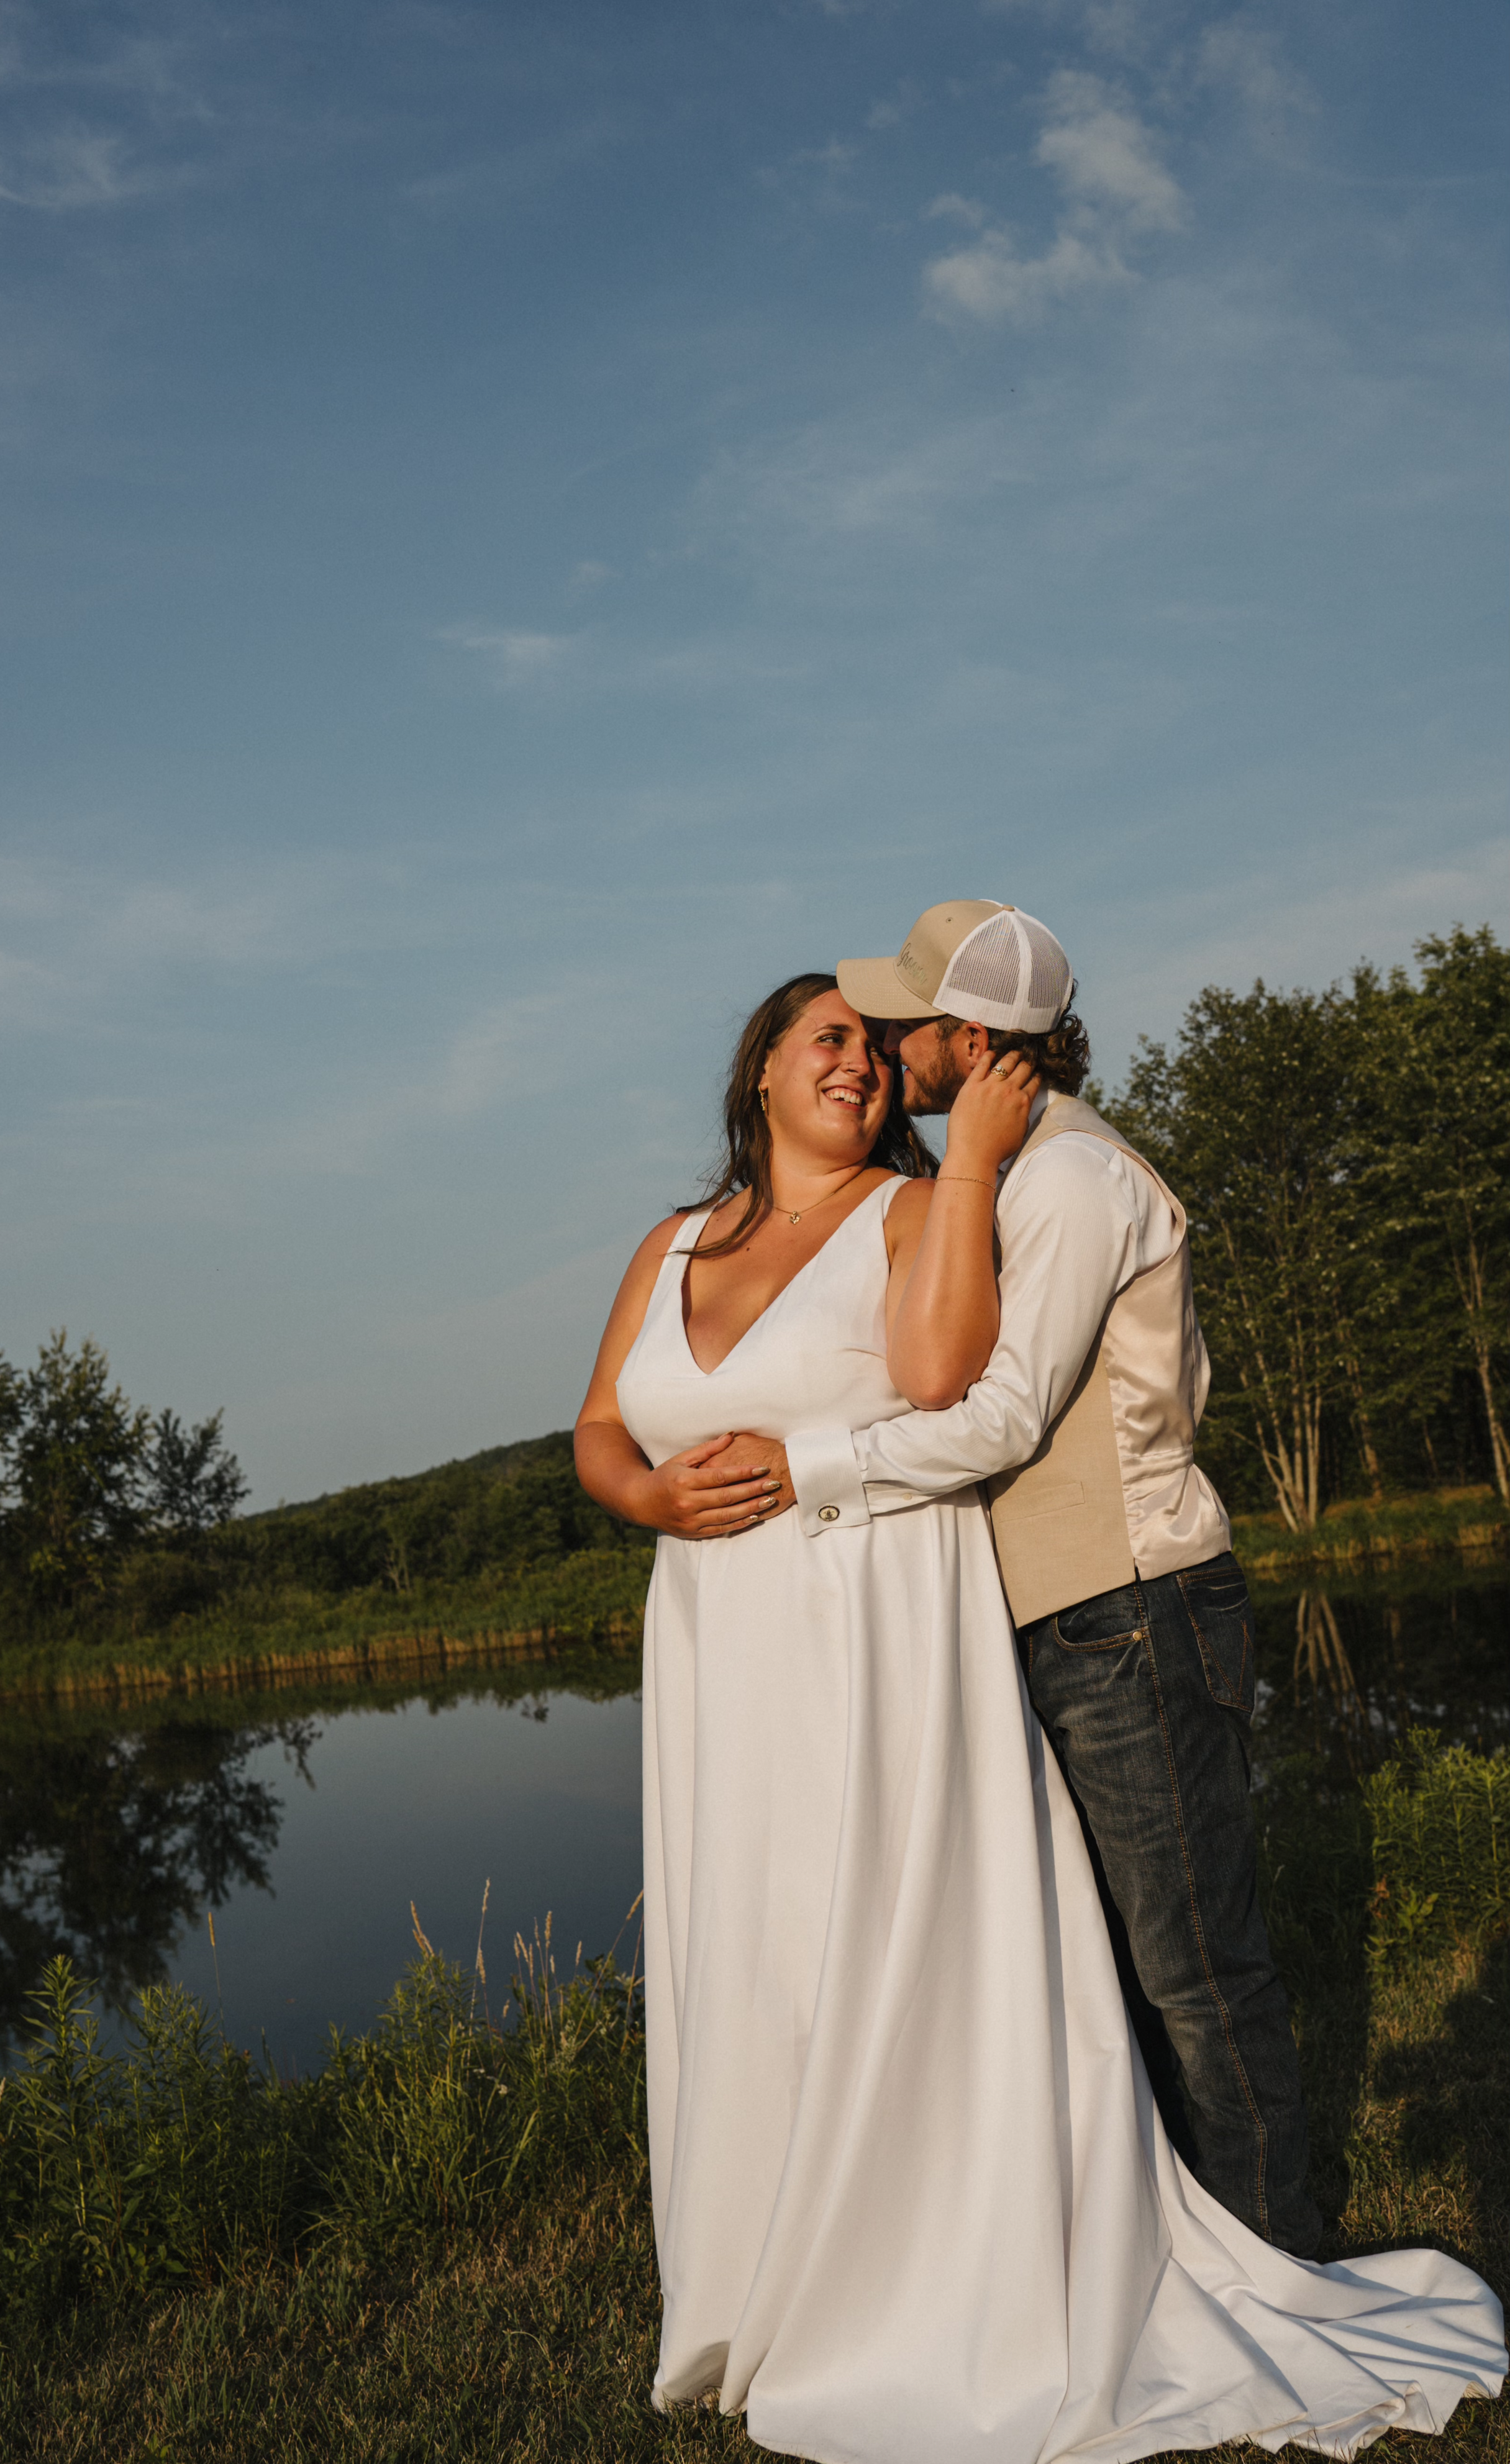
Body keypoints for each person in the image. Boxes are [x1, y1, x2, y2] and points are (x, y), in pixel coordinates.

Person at [574, 966, 1503, 2463]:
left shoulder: (914, 1205)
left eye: (880, 1055)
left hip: (868, 1613)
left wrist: (971, 1170)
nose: (860, 1069)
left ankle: (926, 2267)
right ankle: (767, 2270)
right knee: (749, 1943)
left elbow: (949, 1378)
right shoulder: (669, 1241)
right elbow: (602, 1423)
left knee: (889, 1931)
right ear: (756, 1070)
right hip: (714, 1641)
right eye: (831, 1042)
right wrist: (647, 1491)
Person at [742, 898, 1317, 2255]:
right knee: (1107, 1962)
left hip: (1132, 1605)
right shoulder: (1006, 1176)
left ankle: (1276, 2253)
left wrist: (804, 1466)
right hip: (1070, 1616)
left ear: (966, 1036)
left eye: (903, 1020)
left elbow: (1001, 1418)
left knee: (1191, 1967)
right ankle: (1179, 2248)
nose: (883, 1042)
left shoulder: (1068, 1181)